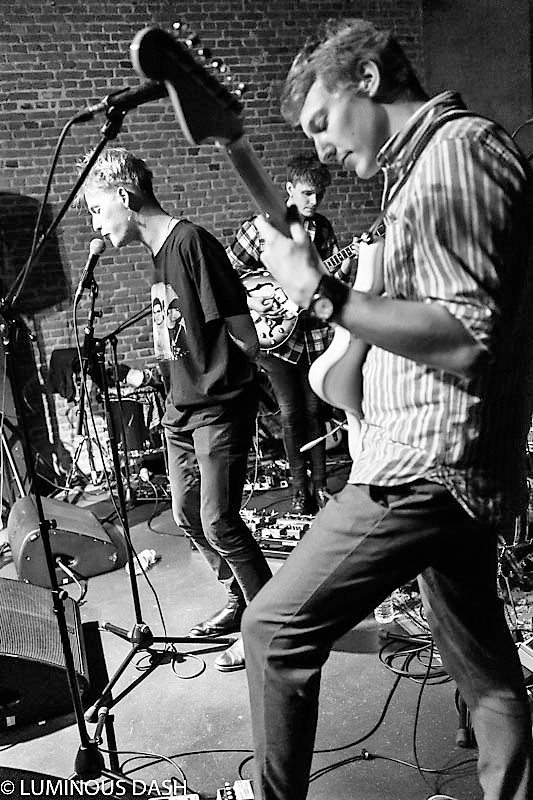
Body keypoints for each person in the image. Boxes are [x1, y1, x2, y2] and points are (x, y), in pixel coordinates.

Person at [241, 18, 533, 800]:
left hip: (424, 465)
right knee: (483, 671)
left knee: (271, 631)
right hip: (445, 462)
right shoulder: (422, 171)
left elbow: (465, 337)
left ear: (366, 80)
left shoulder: (458, 155)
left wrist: (322, 293)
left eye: (321, 122)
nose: (321, 148)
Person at [79, 146, 271, 672]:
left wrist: (229, 381)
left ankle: (268, 625)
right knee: (186, 515)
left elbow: (244, 333)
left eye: (96, 210)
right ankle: (238, 598)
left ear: (125, 196)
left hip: (216, 405)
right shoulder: (158, 253)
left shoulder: (190, 243)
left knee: (219, 520)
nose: (95, 225)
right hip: (180, 408)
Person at [226, 153, 355, 514]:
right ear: (289, 189)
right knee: (289, 412)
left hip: (311, 333)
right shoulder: (260, 228)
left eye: (319, 194)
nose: (314, 201)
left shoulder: (323, 229)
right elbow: (226, 274)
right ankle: (300, 491)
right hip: (273, 336)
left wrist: (344, 269)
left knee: (315, 409)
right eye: (307, 193)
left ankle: (320, 487)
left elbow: (327, 285)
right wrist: (252, 302)